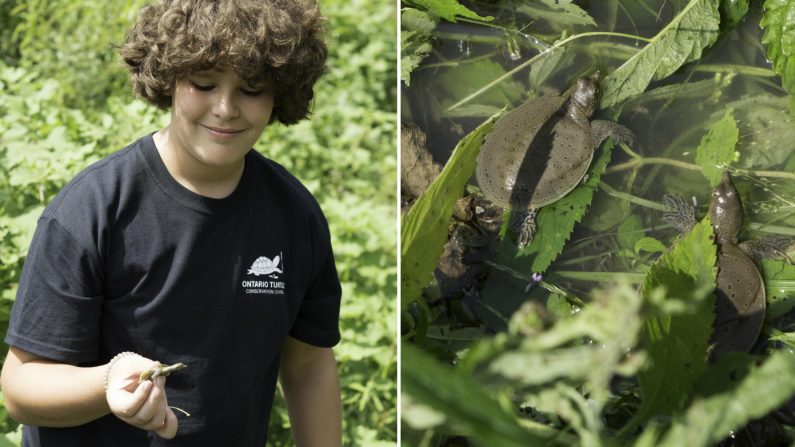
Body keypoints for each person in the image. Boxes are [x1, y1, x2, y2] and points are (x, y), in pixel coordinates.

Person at [0, 0, 343, 445]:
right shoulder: (94, 208)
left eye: (252, 89)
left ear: (282, 90)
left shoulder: (294, 215)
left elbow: (308, 366)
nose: (225, 108)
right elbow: (21, 388)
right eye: (204, 83)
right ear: (168, 77)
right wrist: (108, 384)